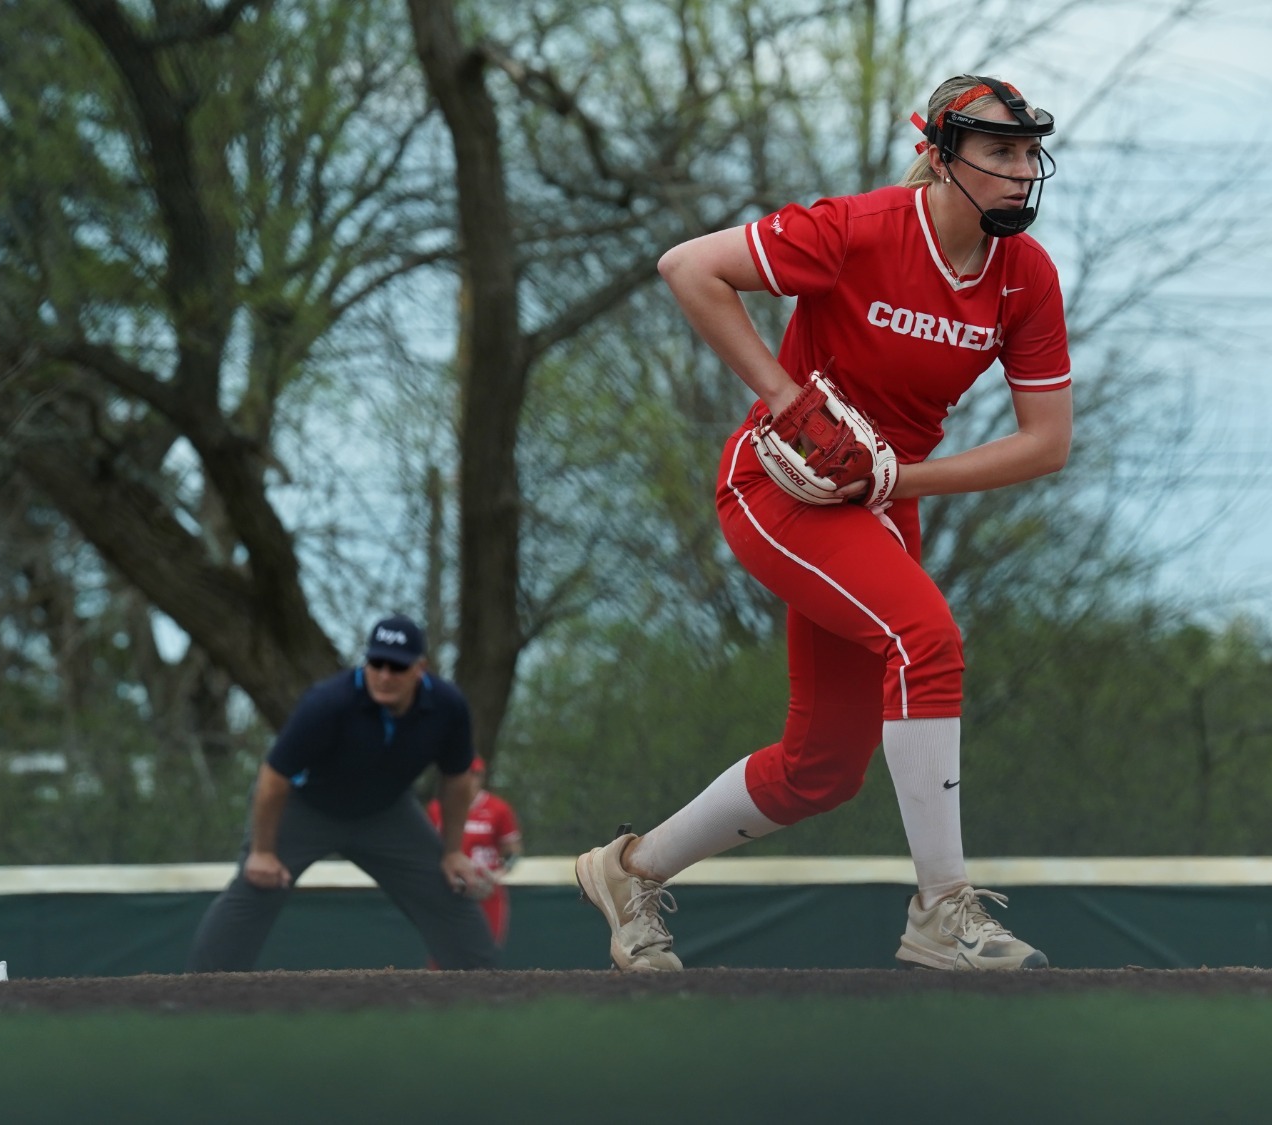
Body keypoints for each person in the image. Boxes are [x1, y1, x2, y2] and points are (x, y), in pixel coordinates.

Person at [575, 74, 1070, 972]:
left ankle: (629, 869)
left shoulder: (1024, 277)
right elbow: (689, 266)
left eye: (1029, 151)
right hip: (779, 493)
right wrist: (785, 396)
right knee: (929, 640)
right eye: (999, 151)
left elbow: (1045, 444)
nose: (1020, 169)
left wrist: (896, 478)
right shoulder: (861, 228)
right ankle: (941, 909)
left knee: (822, 770)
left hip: (872, 507)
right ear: (938, 156)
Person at [187, 614, 499, 972]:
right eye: (376, 663)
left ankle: (489, 994)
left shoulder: (448, 707)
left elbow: (457, 779)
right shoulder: (328, 702)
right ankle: (198, 995)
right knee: (254, 888)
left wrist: (453, 851)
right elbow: (273, 778)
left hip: (386, 813)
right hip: (306, 809)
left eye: (396, 666)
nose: (384, 675)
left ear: (420, 668)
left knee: (446, 890)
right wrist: (262, 852)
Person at [426, 756, 523, 948]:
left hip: (485, 890)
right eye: (466, 774)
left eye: (476, 774)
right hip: (449, 890)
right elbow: (427, 849)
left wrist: (498, 874)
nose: (471, 779)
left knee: (484, 953)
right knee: (444, 953)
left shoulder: (498, 809)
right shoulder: (437, 809)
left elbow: (512, 849)